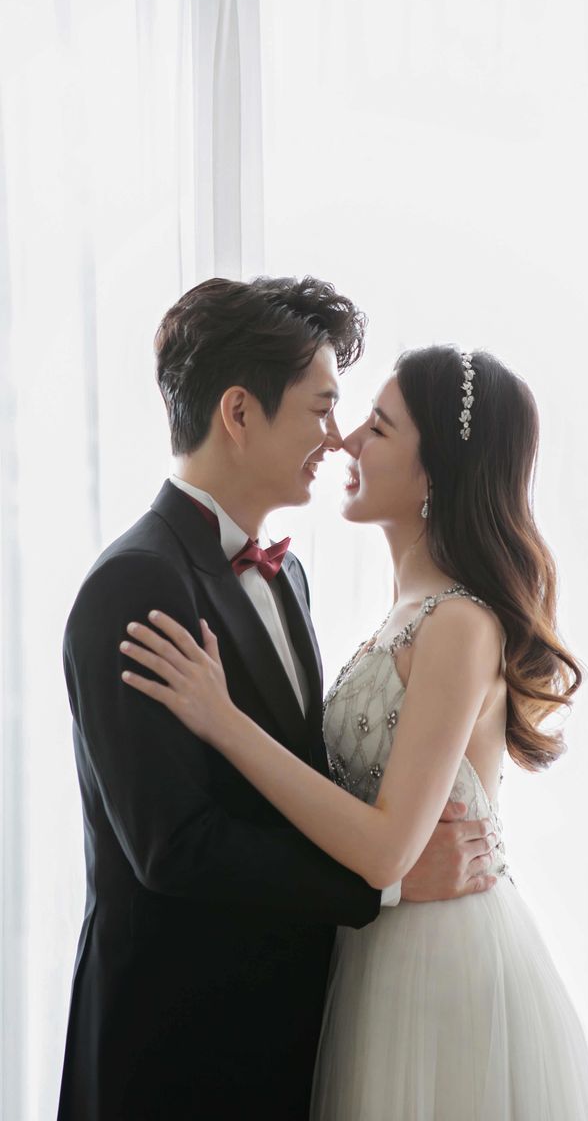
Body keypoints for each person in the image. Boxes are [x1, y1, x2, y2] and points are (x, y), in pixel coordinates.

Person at [122, 342, 588, 1120]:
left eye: (377, 428)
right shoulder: (403, 615)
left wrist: (225, 722)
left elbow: (387, 851)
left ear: (435, 472)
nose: (345, 440)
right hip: (379, 952)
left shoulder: (459, 623)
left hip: (442, 970)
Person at [57, 277, 498, 1121]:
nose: (337, 439)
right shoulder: (134, 584)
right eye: (321, 410)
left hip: (293, 1040)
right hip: (172, 1053)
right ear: (238, 412)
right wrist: (385, 887)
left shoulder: (288, 573)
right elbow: (173, 847)